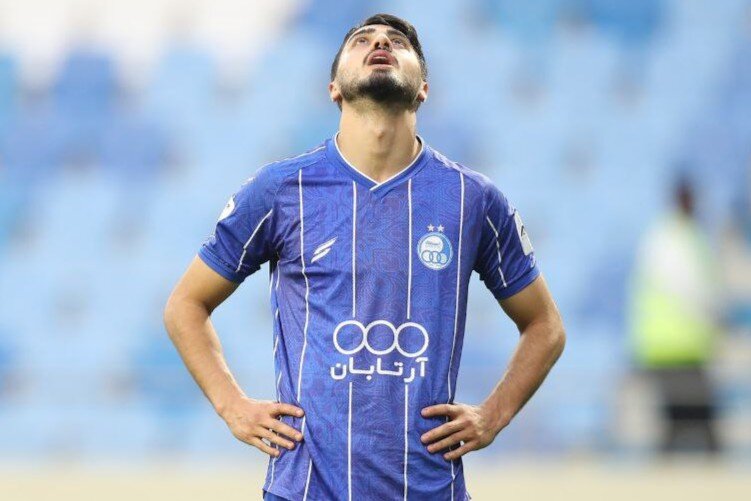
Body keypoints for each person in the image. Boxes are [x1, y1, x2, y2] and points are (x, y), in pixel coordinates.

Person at [163, 13, 566, 500]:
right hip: (305, 489)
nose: (380, 43)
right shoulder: (281, 190)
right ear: (333, 88)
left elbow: (545, 326)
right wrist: (232, 406)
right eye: (362, 40)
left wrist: (493, 415)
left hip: (427, 489)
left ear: (423, 89)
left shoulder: (472, 199)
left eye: (397, 41)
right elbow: (185, 305)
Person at [629, 176, 721, 454]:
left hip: (670, 347)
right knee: (698, 420)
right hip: (676, 347)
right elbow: (694, 292)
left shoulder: (666, 236)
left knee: (679, 421)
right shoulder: (675, 239)